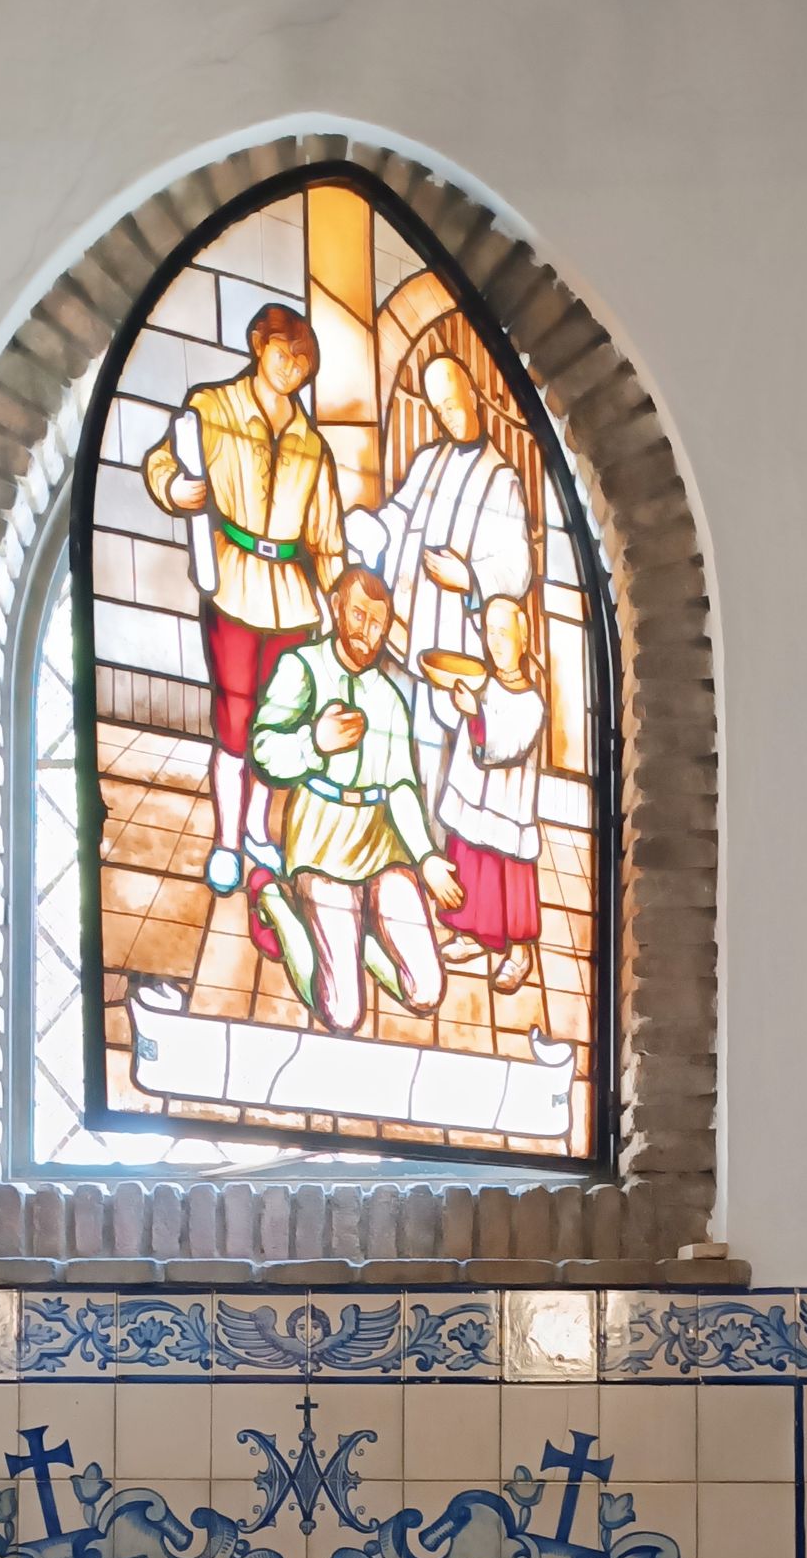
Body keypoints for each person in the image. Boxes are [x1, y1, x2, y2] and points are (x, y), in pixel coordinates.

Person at [144, 304, 345, 895]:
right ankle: (227, 841)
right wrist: (174, 488)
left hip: (293, 600)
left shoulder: (313, 445)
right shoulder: (213, 408)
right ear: (259, 345)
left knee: (277, 725)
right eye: (284, 353)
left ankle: (258, 828)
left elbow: (327, 537)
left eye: (304, 362)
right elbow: (163, 460)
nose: (292, 369)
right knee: (234, 722)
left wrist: (341, 609)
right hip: (232, 583)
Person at [247, 566, 464, 1036]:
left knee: (427, 992)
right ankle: (274, 900)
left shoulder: (387, 697)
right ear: (336, 608)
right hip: (322, 842)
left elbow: (402, 786)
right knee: (343, 1013)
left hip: (381, 844)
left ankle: (358, 928)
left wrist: (425, 858)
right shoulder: (301, 668)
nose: (367, 633)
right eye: (359, 615)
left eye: (378, 625)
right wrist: (314, 743)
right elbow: (263, 749)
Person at [346, 353, 534, 813]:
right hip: (406, 638)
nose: (446, 415)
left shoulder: (501, 480)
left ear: (472, 395)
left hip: (454, 653)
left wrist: (467, 578)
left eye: (452, 403)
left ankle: (428, 859)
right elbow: (400, 515)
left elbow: (518, 566)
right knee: (395, 749)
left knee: (435, 760)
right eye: (438, 408)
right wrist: (374, 530)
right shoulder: (429, 462)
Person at [434, 596, 547, 994]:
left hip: (506, 806)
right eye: (490, 632)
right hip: (471, 796)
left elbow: (508, 744)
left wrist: (476, 714)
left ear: (523, 638)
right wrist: (460, 704)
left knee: (508, 878)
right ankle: (469, 935)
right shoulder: (483, 683)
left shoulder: (531, 702)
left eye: (504, 633)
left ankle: (519, 952)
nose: (496, 642)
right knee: (469, 863)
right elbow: (455, 726)